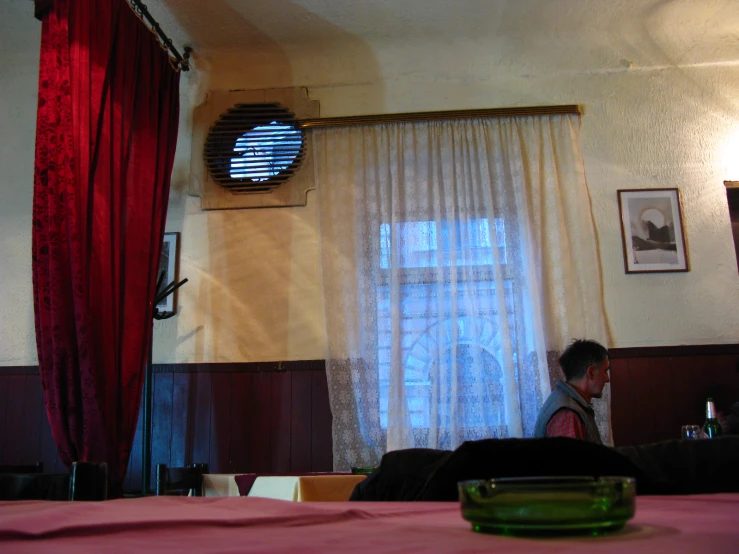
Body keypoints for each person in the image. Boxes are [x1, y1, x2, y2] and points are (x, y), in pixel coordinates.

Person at [533, 339, 610, 444]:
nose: (607, 379)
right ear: (591, 372)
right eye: (605, 371)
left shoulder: (567, 402)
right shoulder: (567, 414)